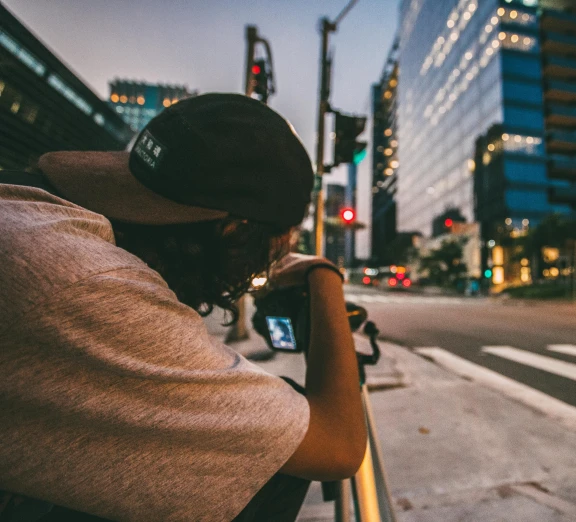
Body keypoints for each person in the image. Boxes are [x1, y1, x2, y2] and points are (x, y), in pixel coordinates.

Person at [0, 93, 366, 521]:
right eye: (274, 246)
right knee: (270, 463)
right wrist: (323, 275)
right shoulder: (91, 284)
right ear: (234, 233)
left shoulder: (32, 208)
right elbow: (338, 445)